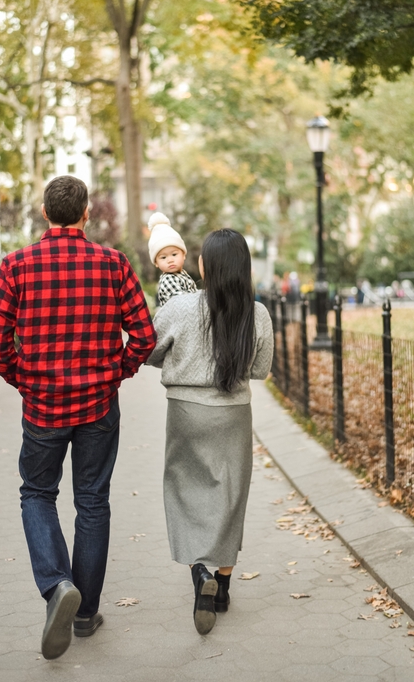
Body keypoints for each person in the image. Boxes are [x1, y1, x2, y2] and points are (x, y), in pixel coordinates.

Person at [0, 175, 156, 661]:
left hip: (43, 408)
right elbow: (143, 336)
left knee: (37, 493)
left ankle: (57, 584)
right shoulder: (113, 264)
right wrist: (114, 374)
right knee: (92, 502)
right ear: (86, 215)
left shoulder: (16, 266)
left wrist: (27, 381)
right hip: (98, 406)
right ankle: (85, 613)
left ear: (45, 213)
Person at [147, 228, 273, 635]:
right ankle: (222, 591)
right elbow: (260, 369)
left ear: (205, 265)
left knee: (184, 491)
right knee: (230, 496)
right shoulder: (257, 314)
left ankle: (199, 573)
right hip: (234, 413)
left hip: (186, 412)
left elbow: (148, 350)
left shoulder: (179, 307)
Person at [148, 211, 197, 305]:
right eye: (163, 257)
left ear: (184, 255)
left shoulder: (181, 275)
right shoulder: (168, 279)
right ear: (156, 263)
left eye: (174, 254)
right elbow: (183, 304)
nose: (170, 260)